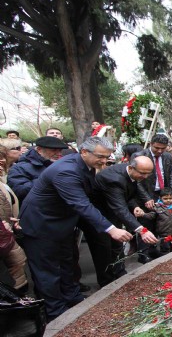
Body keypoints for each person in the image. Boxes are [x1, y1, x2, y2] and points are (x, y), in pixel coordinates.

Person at [18, 137, 133, 321]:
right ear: (84, 152)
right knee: (48, 272)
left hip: (63, 225)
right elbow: (81, 204)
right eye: (100, 157)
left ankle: (73, 298)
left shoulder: (86, 166)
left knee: (67, 265)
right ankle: (56, 312)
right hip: (41, 225)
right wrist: (111, 229)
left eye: (107, 157)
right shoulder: (66, 170)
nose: (104, 161)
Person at [90, 156, 158, 286]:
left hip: (114, 213)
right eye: (142, 173)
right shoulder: (114, 179)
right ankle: (107, 283)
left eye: (148, 173)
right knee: (104, 249)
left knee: (117, 245)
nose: (145, 176)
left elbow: (126, 195)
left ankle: (120, 274)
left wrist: (135, 206)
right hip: (100, 216)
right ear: (131, 168)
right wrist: (142, 230)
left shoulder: (130, 173)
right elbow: (119, 208)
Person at [134, 134, 172, 262]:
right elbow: (137, 181)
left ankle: (153, 249)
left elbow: (171, 177)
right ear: (151, 144)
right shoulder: (139, 156)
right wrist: (146, 198)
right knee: (146, 223)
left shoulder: (168, 156)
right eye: (157, 148)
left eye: (162, 148)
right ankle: (143, 253)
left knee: (160, 222)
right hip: (146, 194)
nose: (159, 151)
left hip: (163, 193)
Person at [0, 146, 28, 295]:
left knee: (16, 272)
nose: (1, 161)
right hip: (4, 236)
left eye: (3, 157)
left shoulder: (3, 181)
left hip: (9, 233)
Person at [8, 136, 69, 202]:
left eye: (60, 150)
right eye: (53, 150)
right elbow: (19, 191)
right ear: (39, 150)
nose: (58, 154)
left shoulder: (61, 164)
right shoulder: (20, 168)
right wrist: (46, 179)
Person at [142, 188, 172, 255]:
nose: (168, 200)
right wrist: (143, 214)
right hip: (163, 234)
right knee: (165, 249)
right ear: (160, 198)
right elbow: (151, 215)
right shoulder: (157, 207)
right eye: (165, 199)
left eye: (170, 198)